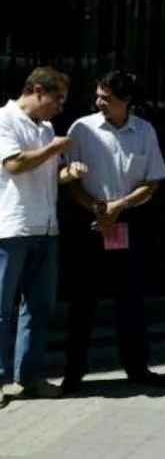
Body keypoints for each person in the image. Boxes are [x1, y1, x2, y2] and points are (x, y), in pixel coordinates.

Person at [61, 71, 165, 395]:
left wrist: (118, 207)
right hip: (89, 220)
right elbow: (67, 179)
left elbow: (153, 181)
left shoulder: (144, 131)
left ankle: (137, 368)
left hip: (128, 221)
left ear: (126, 101)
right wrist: (97, 208)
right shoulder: (82, 129)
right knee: (82, 300)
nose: (99, 102)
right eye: (98, 96)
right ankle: (73, 371)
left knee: (131, 299)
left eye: (106, 97)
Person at [0, 67, 85, 406]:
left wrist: (68, 173)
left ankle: (30, 376)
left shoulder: (47, 128)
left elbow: (47, 173)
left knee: (38, 308)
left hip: (46, 228)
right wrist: (53, 150)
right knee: (2, 309)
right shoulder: (5, 119)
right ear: (37, 90)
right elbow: (15, 165)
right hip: (13, 227)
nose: (60, 107)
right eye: (57, 98)